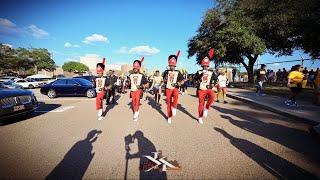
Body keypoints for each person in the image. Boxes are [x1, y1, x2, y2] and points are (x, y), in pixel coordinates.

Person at [194, 48, 216, 124]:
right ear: (202, 66)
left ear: (208, 66)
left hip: (208, 89)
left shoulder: (211, 72)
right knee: (201, 103)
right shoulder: (198, 72)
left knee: (212, 97)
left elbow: (215, 79)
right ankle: (200, 117)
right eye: (204, 66)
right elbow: (195, 80)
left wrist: (213, 84)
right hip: (201, 89)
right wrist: (199, 79)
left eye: (206, 66)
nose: (205, 67)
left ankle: (206, 109)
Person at [163, 50, 184, 124]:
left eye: (173, 66)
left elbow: (182, 81)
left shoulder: (178, 72)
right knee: (168, 103)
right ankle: (169, 117)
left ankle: (174, 108)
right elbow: (164, 81)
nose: (171, 67)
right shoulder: (166, 72)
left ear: (175, 66)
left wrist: (179, 83)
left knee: (176, 97)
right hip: (168, 88)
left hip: (175, 88)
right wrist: (165, 77)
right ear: (169, 65)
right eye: (170, 65)